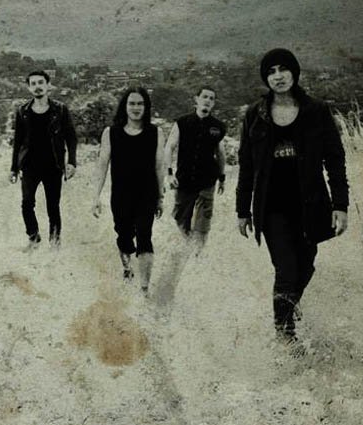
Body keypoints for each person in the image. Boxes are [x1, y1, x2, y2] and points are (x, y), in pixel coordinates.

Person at [235, 48, 349, 342]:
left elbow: (335, 159)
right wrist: (242, 210)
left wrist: (341, 205)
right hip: (272, 207)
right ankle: (285, 335)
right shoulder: (255, 115)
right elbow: (247, 166)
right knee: (285, 269)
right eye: (271, 72)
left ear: (294, 72)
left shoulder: (316, 111)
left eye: (283, 69)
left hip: (310, 204)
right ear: (266, 79)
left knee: (306, 266)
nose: (278, 76)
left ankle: (288, 308)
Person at [92, 88, 166, 294]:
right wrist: (96, 196)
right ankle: (127, 269)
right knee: (124, 238)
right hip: (121, 195)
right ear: (124, 106)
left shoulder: (156, 133)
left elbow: (159, 167)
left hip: (147, 194)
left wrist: (160, 197)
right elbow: (102, 165)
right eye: (132, 103)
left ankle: (144, 289)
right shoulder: (111, 133)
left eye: (140, 103)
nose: (136, 108)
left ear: (146, 107)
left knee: (144, 236)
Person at [10, 70, 77, 248]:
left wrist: (71, 162)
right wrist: (14, 168)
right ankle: (33, 237)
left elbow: (71, 137)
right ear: (29, 88)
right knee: (26, 203)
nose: (37, 86)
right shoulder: (23, 111)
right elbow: (17, 141)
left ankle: (55, 241)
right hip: (29, 165)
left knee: (53, 206)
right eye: (33, 84)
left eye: (41, 82)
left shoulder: (60, 110)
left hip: (53, 165)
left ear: (48, 85)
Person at [164, 86, 227, 254]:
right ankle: (186, 249)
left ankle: (197, 257)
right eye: (205, 96)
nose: (208, 100)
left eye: (211, 98)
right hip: (184, 179)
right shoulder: (182, 123)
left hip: (207, 181)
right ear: (196, 99)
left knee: (202, 224)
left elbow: (220, 154)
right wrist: (169, 173)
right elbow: (169, 147)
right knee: (179, 220)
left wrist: (222, 177)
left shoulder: (218, 127)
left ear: (214, 103)